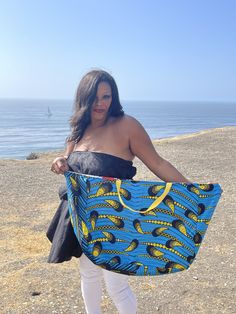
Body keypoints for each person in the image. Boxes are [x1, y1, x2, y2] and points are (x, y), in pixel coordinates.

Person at [49, 69, 189, 314]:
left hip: (116, 220)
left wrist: (190, 190)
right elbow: (68, 158)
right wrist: (60, 160)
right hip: (84, 218)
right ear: (84, 98)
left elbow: (157, 163)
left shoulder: (128, 126)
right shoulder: (78, 128)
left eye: (106, 96)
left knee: (116, 284)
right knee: (88, 275)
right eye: (95, 97)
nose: (101, 103)